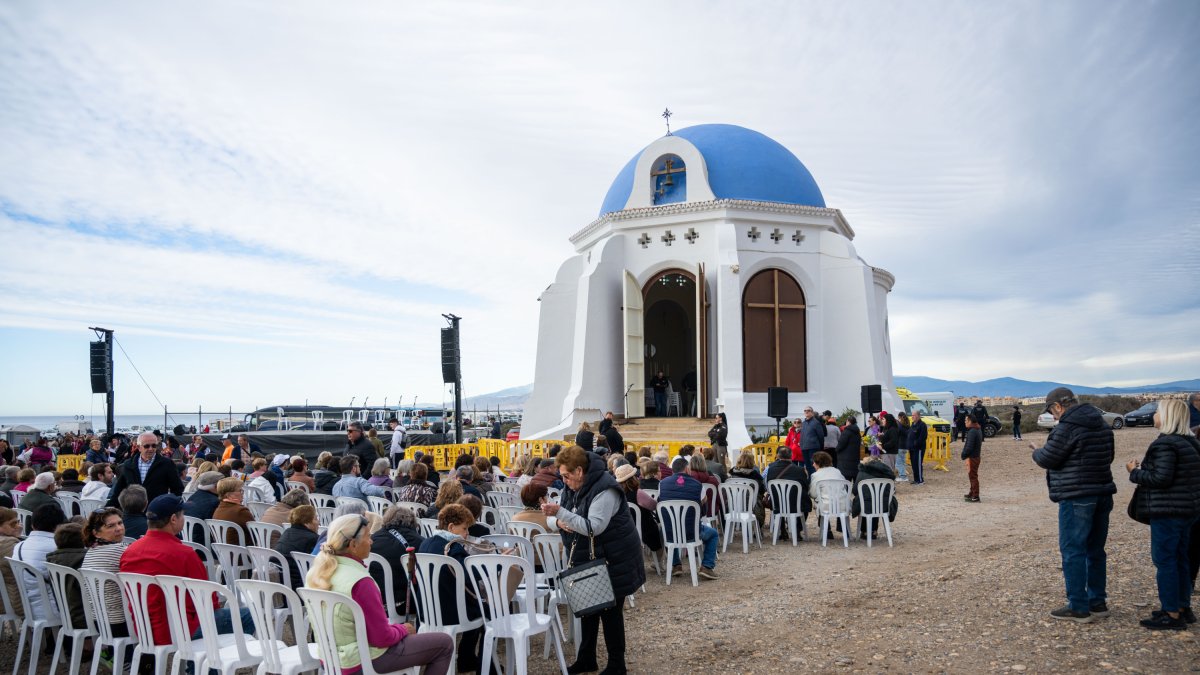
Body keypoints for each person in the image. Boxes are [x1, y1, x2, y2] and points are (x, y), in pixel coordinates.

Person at [541, 446, 644, 675]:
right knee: (588, 609)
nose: (564, 481)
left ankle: (617, 665)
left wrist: (560, 514)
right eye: (562, 476)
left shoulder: (605, 489)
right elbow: (556, 518)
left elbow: (593, 527)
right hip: (590, 556)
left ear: (579, 471)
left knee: (611, 612)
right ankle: (586, 658)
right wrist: (557, 521)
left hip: (615, 557)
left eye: (566, 476)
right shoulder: (573, 486)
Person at [120, 494, 256, 648]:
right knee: (249, 615)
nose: (184, 518)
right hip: (178, 628)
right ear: (173, 519)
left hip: (143, 626)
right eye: (182, 515)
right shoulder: (183, 553)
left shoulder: (130, 551)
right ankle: (210, 662)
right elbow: (207, 598)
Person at [1031, 386, 1117, 623]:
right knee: (1095, 550)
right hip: (1102, 491)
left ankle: (1078, 606)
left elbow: (1049, 458)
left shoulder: (1067, 428)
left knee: (1073, 551)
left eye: (1051, 410)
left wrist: (1036, 451)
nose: (1053, 415)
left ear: (1058, 406)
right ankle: (1097, 601)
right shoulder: (1101, 424)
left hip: (1076, 495)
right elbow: (1109, 456)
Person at [1124, 399, 1200, 629]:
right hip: (1187, 510)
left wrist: (1134, 472)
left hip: (1168, 511)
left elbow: (1161, 478)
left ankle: (1171, 613)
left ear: (1167, 416)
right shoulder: (1190, 442)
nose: (1154, 415)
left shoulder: (1165, 444)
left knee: (1166, 560)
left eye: (1157, 411)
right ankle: (1181, 606)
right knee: (1181, 558)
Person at [416, 504, 488, 672]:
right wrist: (496, 565)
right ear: (451, 527)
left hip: (427, 610)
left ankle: (466, 657)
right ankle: (473, 661)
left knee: (477, 606)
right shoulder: (452, 549)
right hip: (450, 611)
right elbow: (470, 576)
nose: (467, 533)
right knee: (486, 611)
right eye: (464, 528)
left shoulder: (425, 543)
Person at [657, 455, 720, 580]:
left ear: (673, 470)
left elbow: (660, 504)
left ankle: (676, 565)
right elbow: (703, 511)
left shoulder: (662, 484)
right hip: (692, 532)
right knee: (713, 534)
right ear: (687, 469)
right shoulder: (698, 485)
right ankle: (707, 566)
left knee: (665, 529)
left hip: (671, 532)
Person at [81, 507, 131, 637]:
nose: (119, 528)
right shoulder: (121, 550)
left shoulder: (91, 550)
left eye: (120, 523)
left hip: (98, 620)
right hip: (120, 622)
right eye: (111, 526)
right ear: (96, 533)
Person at [11, 504, 67, 620]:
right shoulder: (57, 547)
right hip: (54, 610)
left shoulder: (19, 546)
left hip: (27, 607)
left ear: (32, 525)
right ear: (59, 526)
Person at [369, 505, 425, 615]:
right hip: (402, 604)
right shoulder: (419, 542)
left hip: (373, 601)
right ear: (412, 522)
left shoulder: (372, 539)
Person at [106, 431, 184, 508]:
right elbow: (119, 490)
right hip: (134, 511)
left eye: (154, 446)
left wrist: (168, 506)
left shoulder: (167, 463)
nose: (151, 449)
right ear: (139, 447)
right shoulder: (129, 464)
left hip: (156, 512)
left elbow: (177, 489)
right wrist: (107, 509)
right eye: (146, 446)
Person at [46, 523, 88, 629]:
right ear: (84, 540)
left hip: (64, 613)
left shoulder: (51, 560)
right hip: (85, 617)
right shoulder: (84, 560)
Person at [615, 463, 661, 552]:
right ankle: (658, 561)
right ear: (633, 478)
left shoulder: (616, 495)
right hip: (643, 531)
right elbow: (654, 506)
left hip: (623, 530)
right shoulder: (638, 493)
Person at [275, 504, 319, 589]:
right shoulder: (312, 539)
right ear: (306, 523)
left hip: (279, 579)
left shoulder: (287, 532)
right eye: (315, 519)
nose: (318, 522)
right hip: (298, 584)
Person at [212, 477, 255, 544]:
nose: (242, 493)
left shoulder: (218, 509)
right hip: (242, 552)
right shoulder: (240, 511)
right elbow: (255, 532)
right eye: (240, 491)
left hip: (223, 552)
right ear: (229, 495)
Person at [0, 508, 23, 617]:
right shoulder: (8, 544)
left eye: (18, 522)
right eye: (13, 524)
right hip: (15, 598)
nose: (19, 526)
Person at [799, 407, 826, 476]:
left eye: (808, 410)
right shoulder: (804, 423)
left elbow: (821, 436)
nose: (806, 412)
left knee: (813, 466)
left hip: (813, 447)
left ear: (812, 412)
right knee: (807, 466)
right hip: (804, 448)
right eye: (805, 410)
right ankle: (810, 480)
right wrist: (801, 445)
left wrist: (821, 447)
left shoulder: (816, 423)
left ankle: (814, 481)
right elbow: (802, 435)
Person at [835, 416, 863, 482]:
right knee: (855, 478)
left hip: (845, 460)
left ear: (848, 422)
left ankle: (847, 492)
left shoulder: (846, 431)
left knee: (846, 482)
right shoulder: (857, 432)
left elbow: (841, 444)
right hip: (855, 459)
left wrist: (836, 450)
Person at [960, 418, 982, 502]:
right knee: (972, 475)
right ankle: (972, 492)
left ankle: (975, 496)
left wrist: (964, 454)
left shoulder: (973, 431)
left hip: (973, 457)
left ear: (970, 421)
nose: (965, 422)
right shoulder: (977, 429)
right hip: (975, 456)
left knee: (973, 476)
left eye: (966, 420)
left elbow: (969, 446)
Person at [908, 411, 928, 486]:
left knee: (918, 464)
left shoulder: (922, 425)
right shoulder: (912, 424)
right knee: (913, 464)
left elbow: (923, 437)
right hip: (912, 448)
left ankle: (920, 480)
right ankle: (916, 479)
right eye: (912, 415)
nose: (912, 417)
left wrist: (915, 443)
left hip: (918, 448)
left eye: (914, 415)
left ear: (918, 416)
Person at [895, 412, 911, 482]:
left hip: (900, 446)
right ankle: (903, 475)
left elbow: (897, 434)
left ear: (900, 417)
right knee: (902, 462)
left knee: (898, 463)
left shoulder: (900, 426)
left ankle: (903, 476)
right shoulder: (908, 425)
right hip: (906, 446)